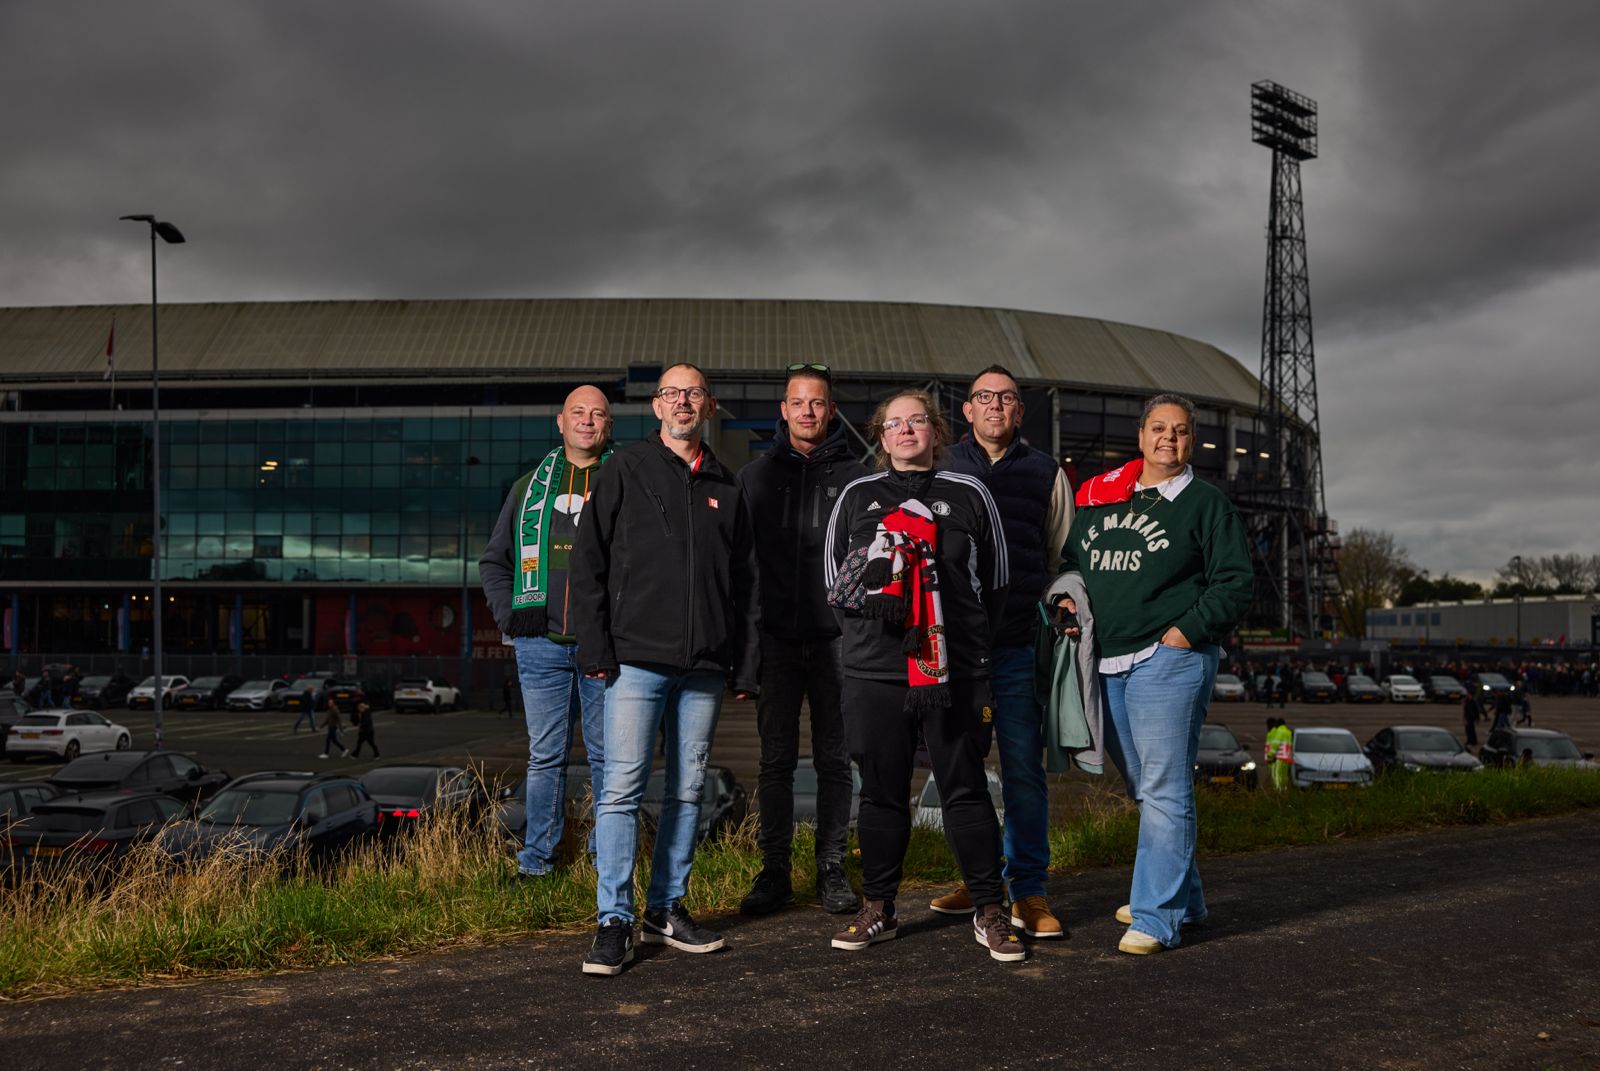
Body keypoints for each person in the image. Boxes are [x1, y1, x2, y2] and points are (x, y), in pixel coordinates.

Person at [570, 363, 759, 977]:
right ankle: (613, 920)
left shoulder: (728, 486)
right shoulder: (626, 468)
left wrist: (742, 663)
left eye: (693, 393)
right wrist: (595, 649)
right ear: (656, 407)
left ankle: (667, 908)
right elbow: (589, 563)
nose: (682, 401)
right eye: (671, 393)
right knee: (622, 791)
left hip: (703, 665)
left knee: (686, 791)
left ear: (708, 407)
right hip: (634, 660)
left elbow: (744, 585)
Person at [823, 388, 1023, 963]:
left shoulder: (970, 492)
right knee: (882, 793)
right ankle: (879, 907)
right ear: (881, 437)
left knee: (965, 789)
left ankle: (989, 908)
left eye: (917, 422)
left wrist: (956, 639)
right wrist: (878, 640)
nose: (906, 431)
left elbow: (1000, 585)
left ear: (936, 432)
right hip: (875, 672)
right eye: (894, 424)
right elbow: (835, 585)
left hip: (952, 669)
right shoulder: (859, 496)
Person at [1054, 393, 1253, 954]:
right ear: (1140, 436)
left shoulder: (1205, 503)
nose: (1170, 438)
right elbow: (1072, 563)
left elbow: (1236, 582)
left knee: (1164, 788)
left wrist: (1184, 632)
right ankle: (1182, 897)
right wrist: (1067, 602)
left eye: (1183, 431)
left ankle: (1156, 915)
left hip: (1169, 659)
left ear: (1193, 442)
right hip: (1106, 659)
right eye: (1160, 428)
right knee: (1147, 788)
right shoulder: (1100, 496)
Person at [935, 365, 1074, 939]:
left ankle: (1030, 891)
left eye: (1007, 399)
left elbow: (1061, 555)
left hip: (1016, 646)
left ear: (1020, 411)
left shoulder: (1047, 474)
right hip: (957, 652)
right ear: (966, 410)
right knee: (962, 773)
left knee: (1022, 771)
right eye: (984, 398)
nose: (995, 406)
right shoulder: (941, 468)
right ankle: (982, 879)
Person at [736, 362, 868, 918]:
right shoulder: (754, 477)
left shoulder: (860, 477)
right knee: (775, 763)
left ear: (830, 411)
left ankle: (832, 868)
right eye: (798, 402)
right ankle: (774, 872)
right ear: (784, 410)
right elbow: (741, 573)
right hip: (777, 642)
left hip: (840, 641)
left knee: (837, 762)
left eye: (818, 403)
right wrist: (745, 657)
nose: (808, 411)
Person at [479, 385, 614, 881]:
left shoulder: (624, 482)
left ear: (608, 426)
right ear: (560, 421)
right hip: (540, 647)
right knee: (545, 759)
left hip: (604, 644)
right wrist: (512, 618)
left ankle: (607, 863)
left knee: (607, 757)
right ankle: (537, 864)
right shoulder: (526, 489)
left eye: (597, 414)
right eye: (578, 412)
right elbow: (495, 563)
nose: (587, 420)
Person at [1265, 718, 1293, 790]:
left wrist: (1270, 756)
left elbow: (1276, 744)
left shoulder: (1279, 731)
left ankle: (1278, 791)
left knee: (1277, 777)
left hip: (1279, 757)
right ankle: (1284, 790)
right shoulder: (1288, 732)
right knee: (1284, 777)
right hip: (1287, 758)